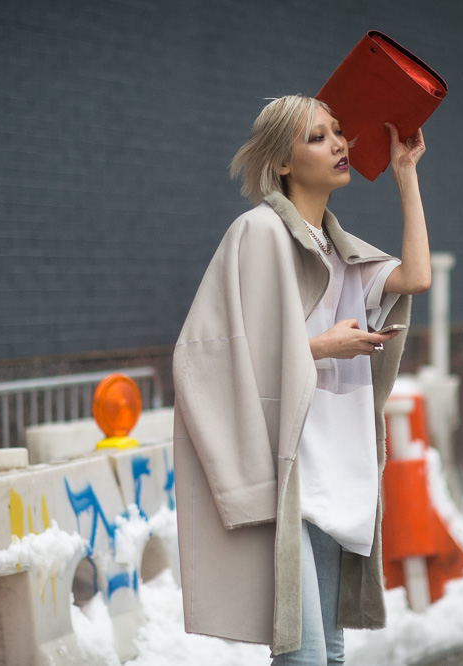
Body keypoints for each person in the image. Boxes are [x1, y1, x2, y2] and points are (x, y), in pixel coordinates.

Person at [172, 94, 430, 665]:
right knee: (305, 656)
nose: (339, 143)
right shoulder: (258, 233)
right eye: (317, 136)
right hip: (288, 471)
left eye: (339, 131)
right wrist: (320, 348)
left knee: (329, 655)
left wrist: (405, 175)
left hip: (337, 471)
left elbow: (415, 276)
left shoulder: (340, 252)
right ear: (282, 163)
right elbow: (209, 355)